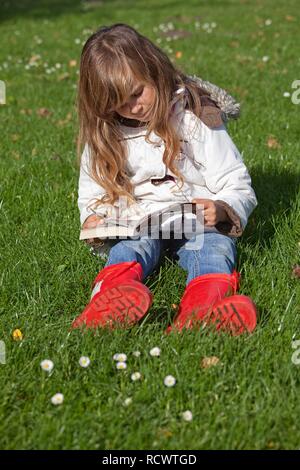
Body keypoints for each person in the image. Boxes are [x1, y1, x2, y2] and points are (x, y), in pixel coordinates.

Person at [72, 23, 258, 335]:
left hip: (195, 220)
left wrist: (223, 208)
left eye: (137, 93)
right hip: (138, 219)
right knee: (128, 249)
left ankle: (205, 308)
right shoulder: (106, 132)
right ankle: (108, 299)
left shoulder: (193, 117)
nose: (134, 107)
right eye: (119, 104)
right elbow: (94, 190)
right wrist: (94, 218)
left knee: (214, 249)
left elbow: (236, 180)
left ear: (154, 70)